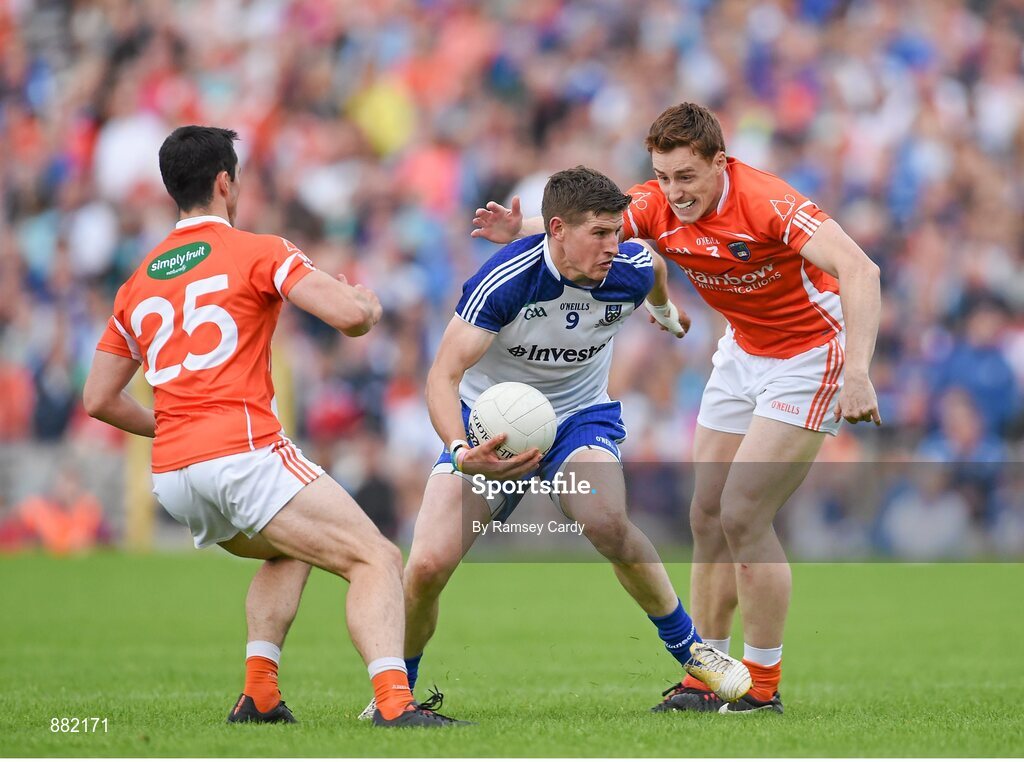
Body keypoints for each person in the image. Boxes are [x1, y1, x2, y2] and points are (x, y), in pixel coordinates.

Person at [472, 103, 882, 714]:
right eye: (662, 176)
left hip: (810, 354)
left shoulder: (766, 200)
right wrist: (525, 226)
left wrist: (858, 373)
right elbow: (588, 227)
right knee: (706, 515)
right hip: (742, 352)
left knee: (743, 513)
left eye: (686, 177)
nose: (673, 193)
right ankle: (706, 674)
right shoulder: (654, 204)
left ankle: (761, 686)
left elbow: (860, 268)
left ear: (720, 162)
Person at [83, 126, 464, 728]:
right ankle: (395, 703)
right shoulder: (258, 249)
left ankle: (259, 694)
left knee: (291, 550)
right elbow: (347, 318)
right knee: (378, 558)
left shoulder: (138, 282)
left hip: (176, 475)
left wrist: (177, 427)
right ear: (224, 182)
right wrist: (365, 302)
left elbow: (98, 398)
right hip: (243, 453)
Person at [360, 166, 751, 720]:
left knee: (606, 521)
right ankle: (395, 698)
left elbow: (655, 267)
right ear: (558, 230)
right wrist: (460, 448)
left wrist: (663, 311)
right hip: (487, 426)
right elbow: (441, 376)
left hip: (578, 419)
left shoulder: (629, 268)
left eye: (618, 231)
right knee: (424, 567)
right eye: (600, 234)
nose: (614, 246)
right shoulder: (505, 281)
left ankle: (693, 653)